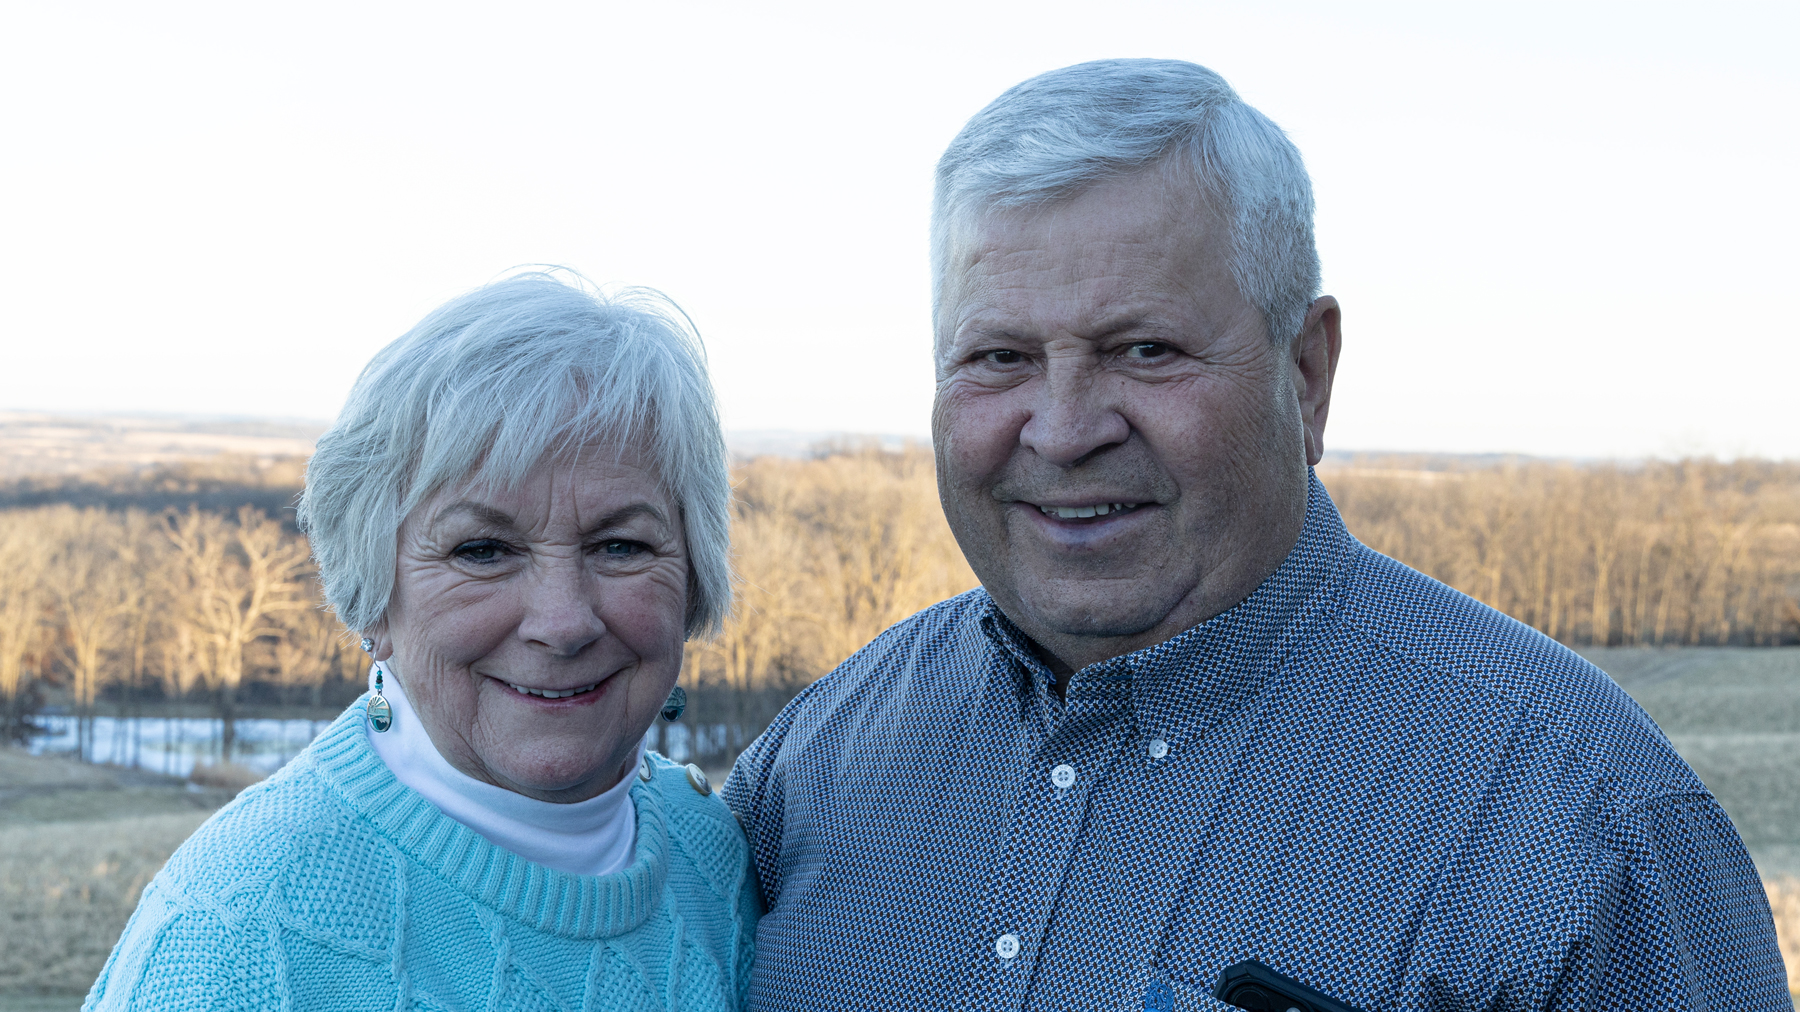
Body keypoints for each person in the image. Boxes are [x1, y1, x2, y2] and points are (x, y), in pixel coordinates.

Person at [722, 59, 1790, 1010]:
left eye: (1144, 349)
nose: (1062, 428)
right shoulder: (817, 763)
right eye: (997, 357)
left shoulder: (1585, 832)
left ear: (1308, 372)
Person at [87, 273, 757, 1011]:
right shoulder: (238, 937)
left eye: (621, 546)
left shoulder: (716, 856)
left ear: (695, 574)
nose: (564, 622)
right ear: (372, 593)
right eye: (482, 550)